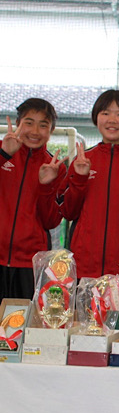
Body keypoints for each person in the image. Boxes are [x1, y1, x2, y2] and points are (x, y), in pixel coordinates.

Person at [57, 89, 119, 278]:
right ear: (96, 118)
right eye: (105, 113)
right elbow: (68, 212)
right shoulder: (82, 160)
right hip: (85, 264)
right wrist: (80, 178)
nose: (112, 120)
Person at [0, 98, 67, 300]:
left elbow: (51, 221)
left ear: (51, 130)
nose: (35, 131)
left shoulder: (54, 168)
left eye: (43, 125)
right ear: (17, 123)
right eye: (29, 123)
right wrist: (3, 155)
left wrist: (45, 186)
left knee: (24, 317)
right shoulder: (2, 151)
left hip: (30, 264)